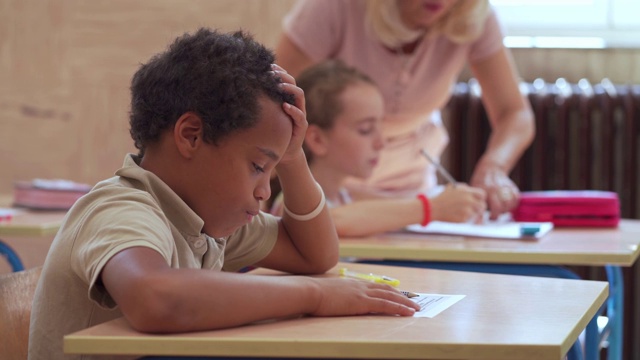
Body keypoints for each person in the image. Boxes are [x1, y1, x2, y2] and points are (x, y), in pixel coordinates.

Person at [28, 28, 420, 360]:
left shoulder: (206, 224)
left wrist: (293, 160)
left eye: (271, 169)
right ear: (191, 136)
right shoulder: (120, 207)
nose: (265, 190)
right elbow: (156, 298)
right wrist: (316, 295)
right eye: (256, 166)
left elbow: (314, 255)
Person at [276, 0, 535, 219]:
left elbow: (515, 113)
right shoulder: (332, 8)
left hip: (411, 192)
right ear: (317, 139)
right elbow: (276, 104)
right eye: (366, 129)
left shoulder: (473, 18)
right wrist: (427, 209)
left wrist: (494, 166)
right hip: (337, 188)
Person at [270, 60, 486, 237]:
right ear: (317, 140)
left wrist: (448, 202)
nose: (381, 143)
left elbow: (386, 208)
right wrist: (433, 208)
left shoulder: (342, 194)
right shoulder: (292, 201)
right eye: (365, 129)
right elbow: (333, 221)